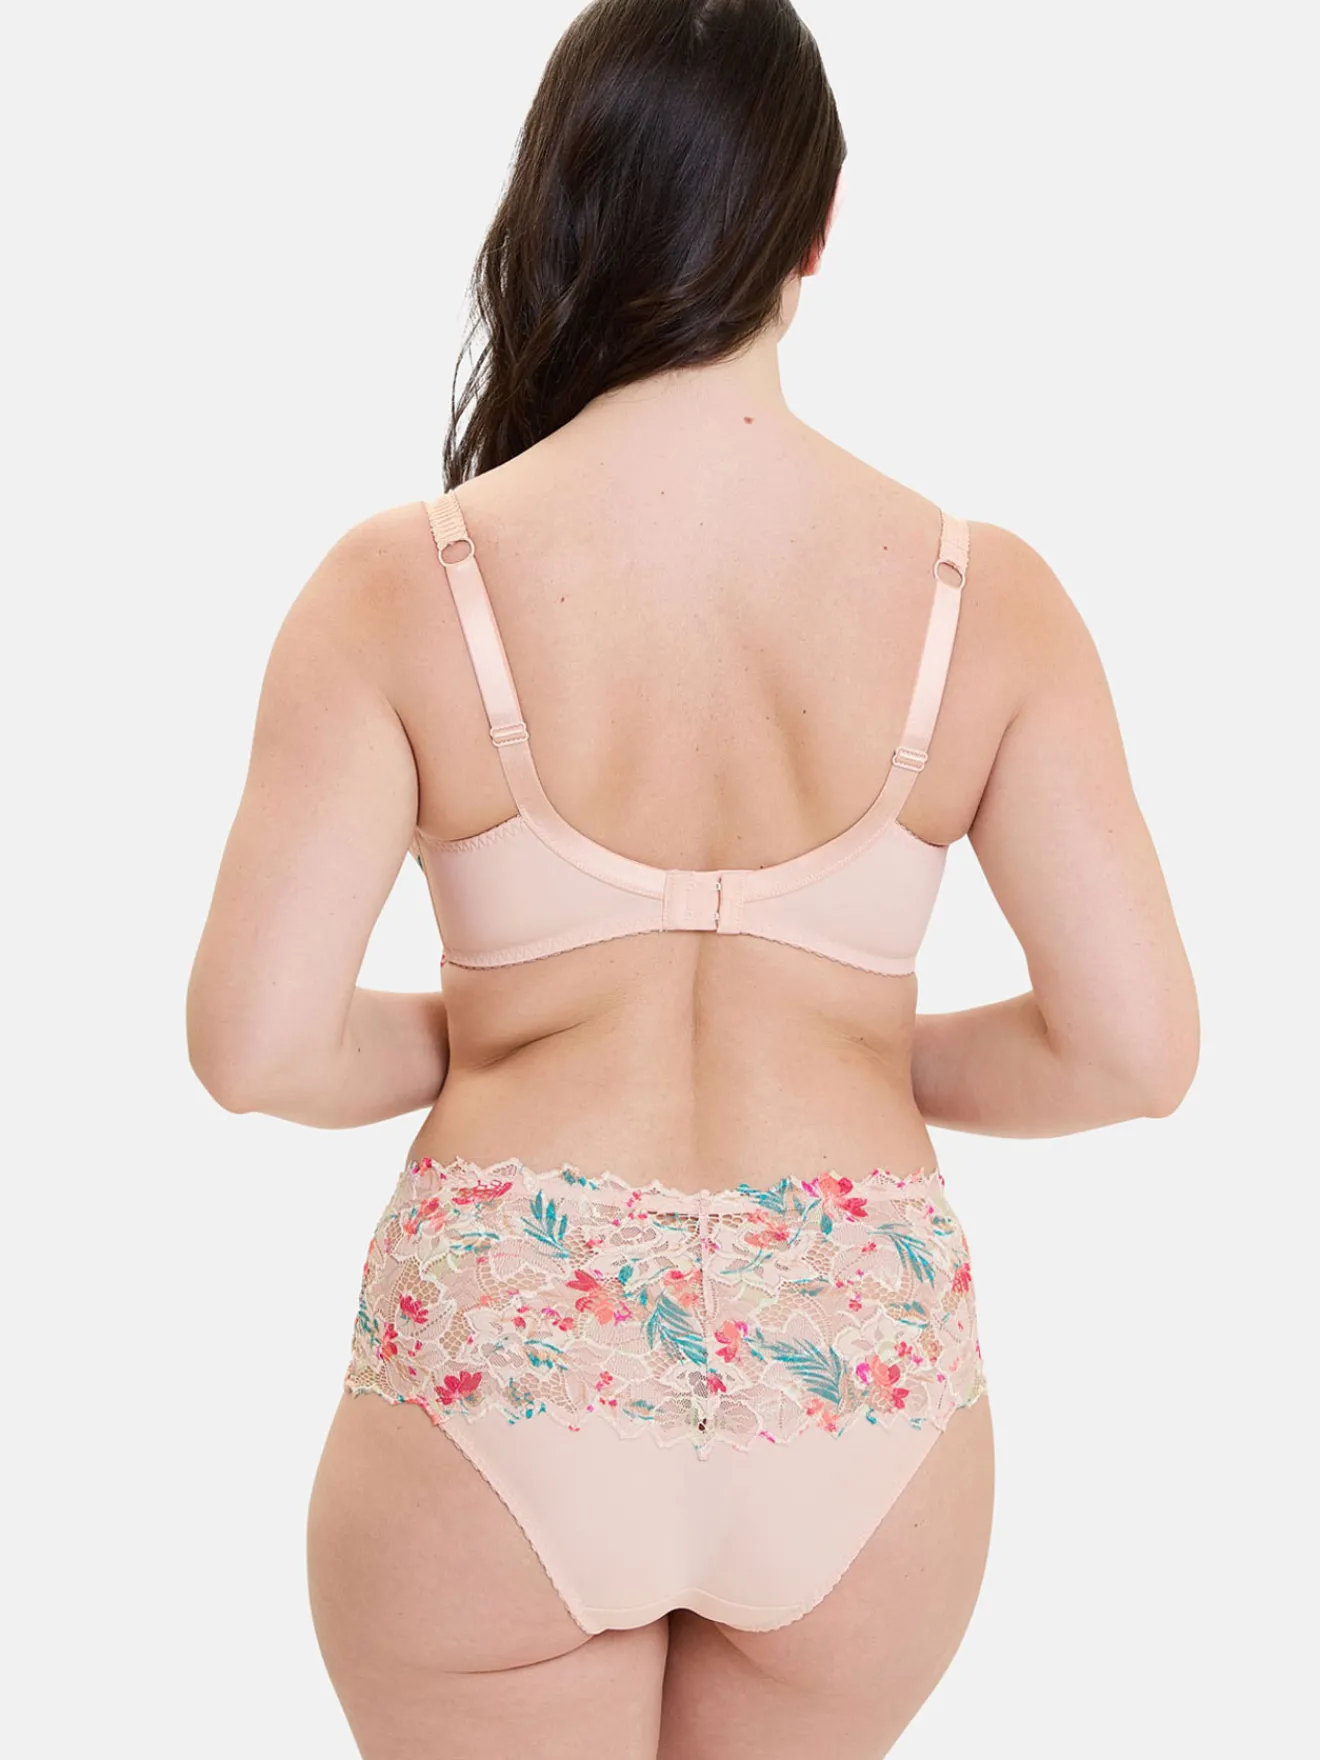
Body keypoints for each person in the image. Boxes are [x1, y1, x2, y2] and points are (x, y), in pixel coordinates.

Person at [186, 1, 1199, 1754]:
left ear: (561, 197)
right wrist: (862, 1047)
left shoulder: (402, 587)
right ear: (817, 228)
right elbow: (1135, 1052)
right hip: (857, 1364)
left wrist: (503, 1032)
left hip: (513, 1350)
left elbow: (255, 1048)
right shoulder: (986, 600)